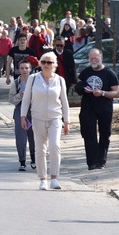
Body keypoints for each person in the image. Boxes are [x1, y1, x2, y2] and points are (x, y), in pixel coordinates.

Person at [20, 52, 70, 190]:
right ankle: (43, 179)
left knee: (55, 146)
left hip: (55, 117)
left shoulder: (60, 80)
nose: (46, 65)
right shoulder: (33, 78)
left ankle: (54, 178)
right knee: (40, 149)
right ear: (40, 64)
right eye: (44, 62)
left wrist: (67, 121)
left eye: (50, 62)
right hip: (37, 117)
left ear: (55, 65)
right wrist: (23, 116)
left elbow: (64, 101)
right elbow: (26, 99)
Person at [74, 48, 119, 170]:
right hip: (88, 108)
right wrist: (83, 88)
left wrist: (103, 93)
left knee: (105, 135)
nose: (93, 61)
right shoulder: (86, 72)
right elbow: (78, 85)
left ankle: (101, 161)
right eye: (91, 59)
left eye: (96, 58)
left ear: (101, 58)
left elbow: (116, 92)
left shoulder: (109, 73)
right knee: (89, 135)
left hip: (104, 108)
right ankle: (92, 162)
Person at [8, 60, 35, 171]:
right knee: (21, 136)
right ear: (18, 70)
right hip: (19, 110)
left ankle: (34, 159)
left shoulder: (35, 81)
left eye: (26, 68)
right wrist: (20, 95)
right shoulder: (16, 82)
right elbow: (11, 99)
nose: (24, 70)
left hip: (33, 110)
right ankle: (22, 161)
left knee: (33, 136)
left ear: (30, 69)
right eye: (22, 68)